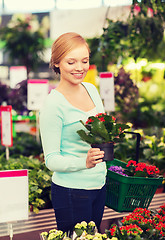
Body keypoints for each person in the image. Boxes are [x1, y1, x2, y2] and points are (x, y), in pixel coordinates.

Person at [39, 32, 107, 235]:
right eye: (71, 62)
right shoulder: (53, 104)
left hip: (99, 184)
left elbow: (101, 130)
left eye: (84, 61)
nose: (80, 68)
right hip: (72, 191)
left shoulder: (91, 89)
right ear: (57, 63)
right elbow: (51, 160)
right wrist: (83, 163)